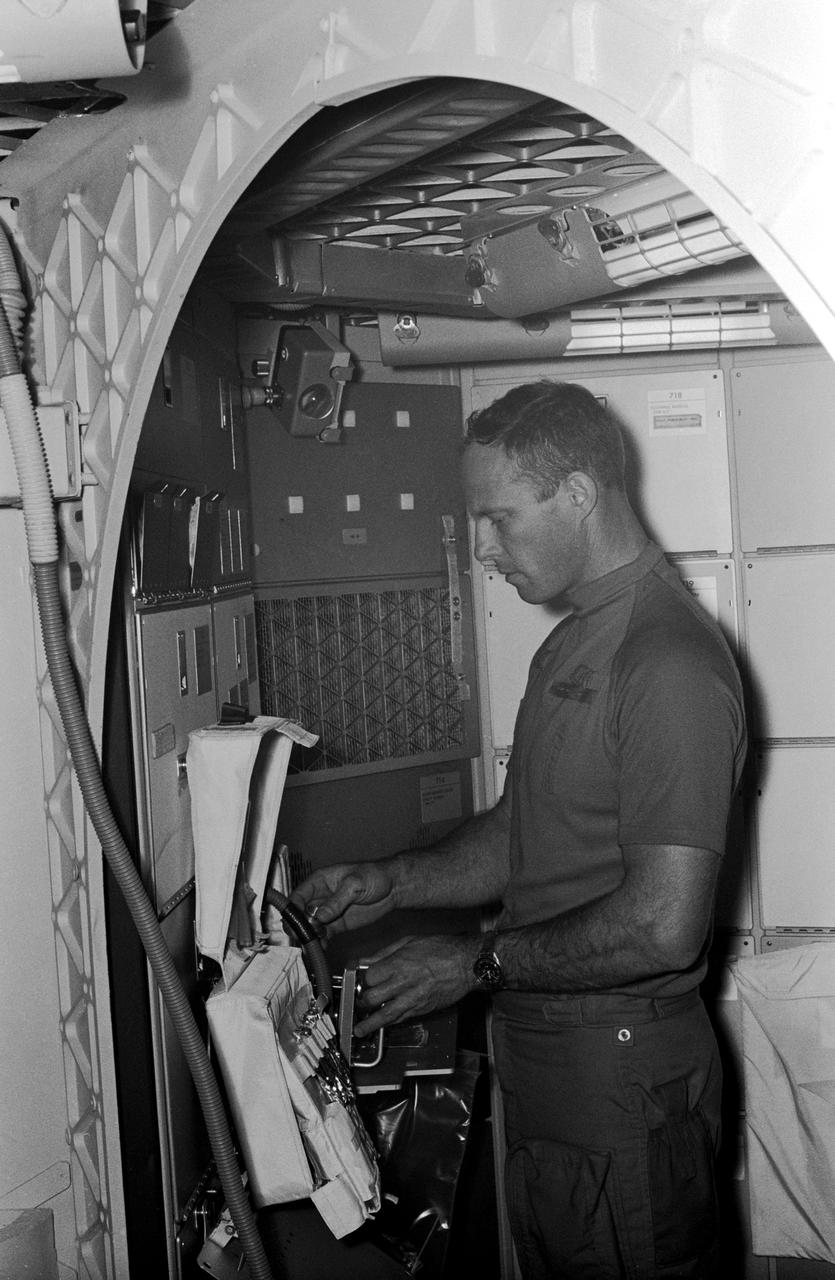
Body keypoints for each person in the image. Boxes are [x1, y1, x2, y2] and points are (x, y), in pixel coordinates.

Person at [291, 380, 747, 1279]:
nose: (483, 550)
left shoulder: (666, 662)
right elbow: (521, 831)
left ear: (577, 492)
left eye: (498, 518)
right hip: (557, 1074)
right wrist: (395, 878)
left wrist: (470, 965)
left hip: (616, 1078)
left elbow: (663, 924)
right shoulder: (572, 641)